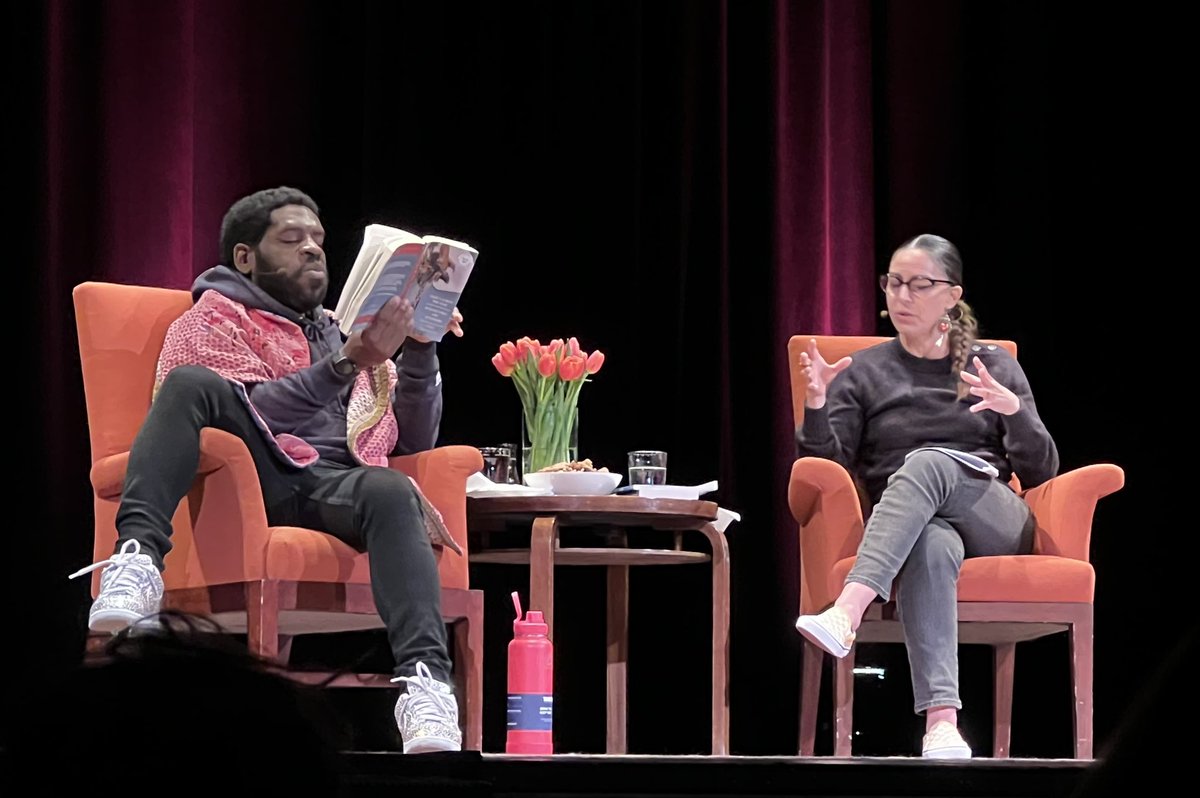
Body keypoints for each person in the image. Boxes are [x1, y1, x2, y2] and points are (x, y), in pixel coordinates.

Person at [68, 186, 467, 753]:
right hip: (252, 481)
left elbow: (414, 437)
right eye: (291, 238)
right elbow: (256, 410)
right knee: (192, 383)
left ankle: (426, 687)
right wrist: (347, 362)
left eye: (319, 240)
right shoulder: (213, 317)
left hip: (331, 486)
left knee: (389, 487)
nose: (312, 249)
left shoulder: (341, 328)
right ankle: (136, 562)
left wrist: (421, 348)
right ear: (245, 258)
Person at [793, 233, 1058, 759]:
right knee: (931, 545)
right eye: (894, 282)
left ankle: (848, 608)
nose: (902, 295)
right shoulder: (864, 370)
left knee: (929, 460)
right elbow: (829, 463)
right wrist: (819, 403)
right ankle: (941, 723)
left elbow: (1042, 468)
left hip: (994, 518)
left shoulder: (989, 364)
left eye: (919, 284)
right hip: (912, 523)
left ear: (952, 295)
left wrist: (1016, 414)